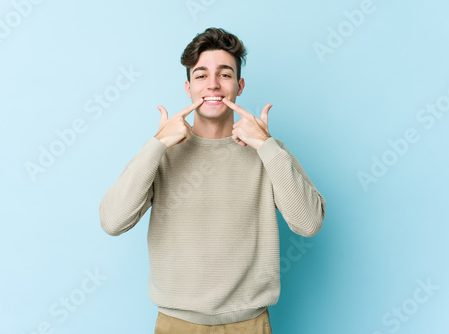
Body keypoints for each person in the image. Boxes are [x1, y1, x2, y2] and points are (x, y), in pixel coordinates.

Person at [99, 27, 326, 334]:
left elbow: (309, 223)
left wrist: (266, 145)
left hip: (249, 324)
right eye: (202, 75)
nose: (214, 85)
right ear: (188, 87)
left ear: (239, 85)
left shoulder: (268, 151)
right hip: (176, 324)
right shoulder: (162, 153)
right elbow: (113, 221)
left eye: (225, 74)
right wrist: (157, 144)